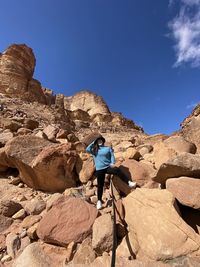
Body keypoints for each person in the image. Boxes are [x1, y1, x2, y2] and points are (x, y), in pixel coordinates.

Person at [86, 136, 137, 209]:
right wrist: (94, 142)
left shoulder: (107, 148)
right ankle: (99, 201)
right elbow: (87, 149)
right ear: (96, 142)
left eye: (101, 140)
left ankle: (129, 183)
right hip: (99, 169)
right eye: (98, 141)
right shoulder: (95, 150)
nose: (100, 141)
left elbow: (112, 156)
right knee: (100, 185)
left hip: (107, 167)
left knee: (117, 170)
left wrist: (112, 163)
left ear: (103, 141)